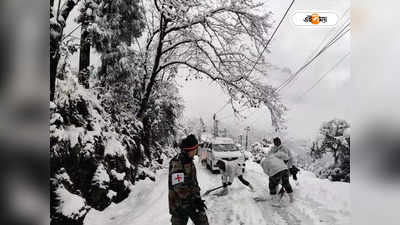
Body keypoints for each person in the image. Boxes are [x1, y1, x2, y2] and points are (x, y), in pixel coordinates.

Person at [168, 135, 209, 225]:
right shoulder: (178, 163)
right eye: (194, 149)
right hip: (179, 206)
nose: (195, 151)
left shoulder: (188, 160)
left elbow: (192, 181)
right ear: (189, 150)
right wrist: (194, 201)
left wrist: (197, 198)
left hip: (191, 202)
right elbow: (178, 187)